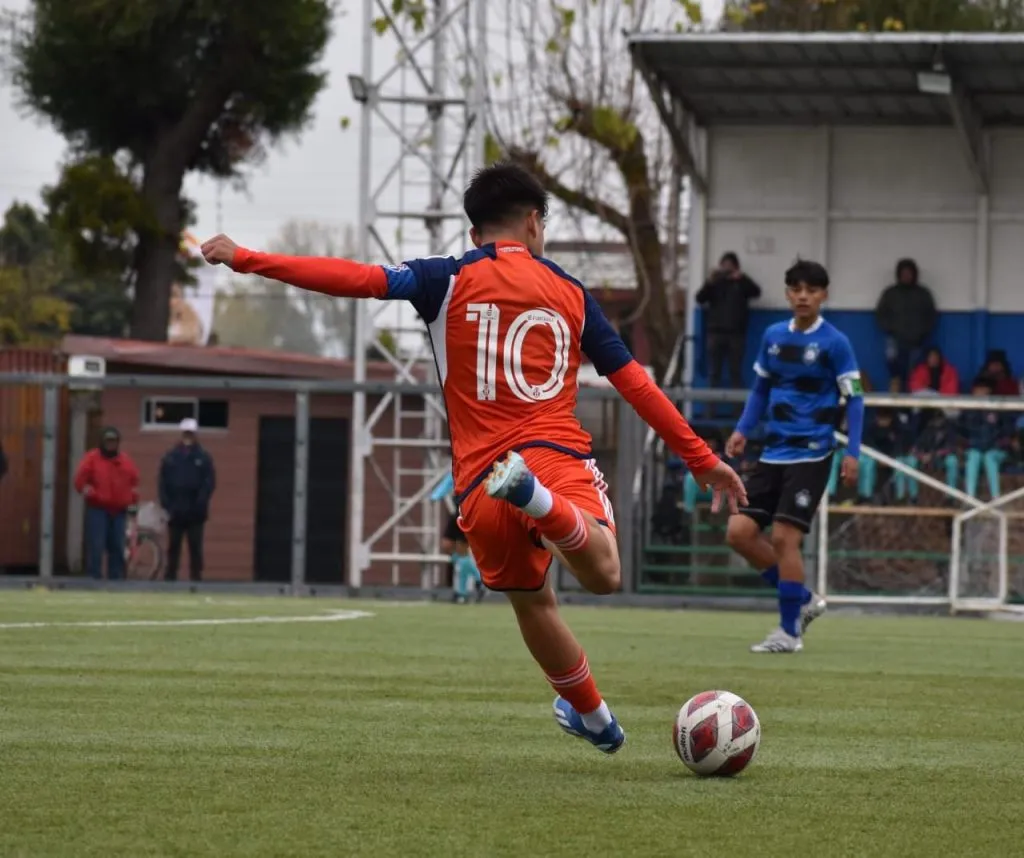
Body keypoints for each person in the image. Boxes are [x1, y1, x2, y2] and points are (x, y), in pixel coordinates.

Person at [200, 161, 746, 755]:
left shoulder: (443, 278)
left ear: (473, 233)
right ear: (535, 223)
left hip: (481, 478)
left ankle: (594, 718)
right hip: (554, 455)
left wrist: (246, 256)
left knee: (532, 601)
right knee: (605, 572)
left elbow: (352, 278)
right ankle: (539, 501)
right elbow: (634, 382)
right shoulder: (571, 293)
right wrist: (700, 458)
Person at [724, 259, 864, 654]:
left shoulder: (836, 342)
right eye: (797, 289)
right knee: (739, 533)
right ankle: (801, 598)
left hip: (813, 453)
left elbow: (855, 399)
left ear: (824, 295)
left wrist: (851, 452)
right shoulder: (772, 336)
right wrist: (741, 430)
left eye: (812, 290)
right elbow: (760, 391)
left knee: (785, 538)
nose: (804, 296)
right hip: (773, 453)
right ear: (787, 293)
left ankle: (789, 633)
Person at [696, 252, 761, 411]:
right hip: (715, 333)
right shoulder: (715, 282)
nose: (726, 269)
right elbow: (699, 298)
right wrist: (709, 282)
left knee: (735, 373)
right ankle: (709, 411)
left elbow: (756, 292)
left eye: (730, 265)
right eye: (724, 265)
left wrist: (742, 278)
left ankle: (738, 411)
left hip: (736, 334)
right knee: (713, 374)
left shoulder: (741, 282)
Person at [74, 427, 139, 580]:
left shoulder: (126, 461)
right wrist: (92, 494)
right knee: (96, 546)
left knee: (117, 547)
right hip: (98, 509)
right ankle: (94, 578)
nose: (111, 444)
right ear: (102, 442)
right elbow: (79, 482)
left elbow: (134, 483)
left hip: (119, 511)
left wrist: (132, 502)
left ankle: (115, 580)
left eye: (114, 441)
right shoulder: (91, 459)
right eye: (108, 441)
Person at [158, 418, 216, 582]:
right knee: (173, 547)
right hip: (175, 510)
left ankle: (196, 577)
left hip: (195, 512)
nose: (188, 436)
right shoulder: (170, 457)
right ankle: (170, 577)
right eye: (186, 432)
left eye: (191, 433)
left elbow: (209, 483)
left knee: (195, 547)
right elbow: (162, 482)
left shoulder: (204, 457)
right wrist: (166, 504)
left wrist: (200, 503)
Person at [875, 258, 937, 390]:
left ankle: (910, 408)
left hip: (918, 341)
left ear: (914, 274)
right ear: (898, 274)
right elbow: (880, 314)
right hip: (895, 339)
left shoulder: (923, 294)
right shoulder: (890, 293)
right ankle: (895, 407)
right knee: (895, 373)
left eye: (909, 273)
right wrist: (891, 329)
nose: (906, 276)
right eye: (903, 273)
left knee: (914, 374)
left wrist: (923, 333)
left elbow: (931, 315)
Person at [430, 469, 484, 603]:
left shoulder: (478, 469)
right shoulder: (457, 469)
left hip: (468, 514)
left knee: (462, 553)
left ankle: (461, 592)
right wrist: (435, 496)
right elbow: (448, 482)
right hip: (457, 512)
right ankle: (478, 580)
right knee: (447, 546)